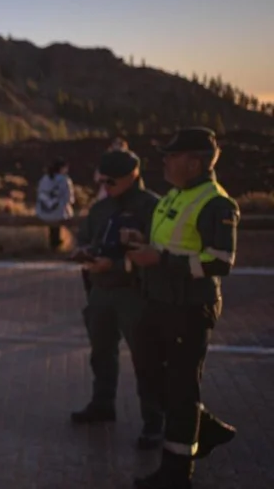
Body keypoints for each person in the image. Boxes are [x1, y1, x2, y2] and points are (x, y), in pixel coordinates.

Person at [124, 127, 238, 489]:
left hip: (189, 309)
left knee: (180, 390)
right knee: (148, 373)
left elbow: (220, 261)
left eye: (172, 156)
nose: (165, 162)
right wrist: (143, 243)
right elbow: (170, 242)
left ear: (195, 163)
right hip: (158, 302)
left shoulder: (216, 203)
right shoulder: (174, 195)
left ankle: (176, 475)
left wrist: (160, 260)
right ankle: (204, 428)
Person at [69, 150, 164, 449]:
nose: (105, 186)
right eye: (102, 180)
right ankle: (102, 404)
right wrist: (84, 252)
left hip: (135, 293)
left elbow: (159, 252)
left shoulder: (153, 207)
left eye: (111, 181)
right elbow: (86, 236)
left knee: (146, 359)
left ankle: (154, 421)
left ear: (132, 176)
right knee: (101, 352)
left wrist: (119, 264)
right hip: (101, 290)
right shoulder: (101, 208)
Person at [36, 157, 75, 249]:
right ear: (61, 168)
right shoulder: (65, 180)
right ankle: (58, 242)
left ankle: (54, 242)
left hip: (43, 212)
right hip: (59, 213)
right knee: (62, 215)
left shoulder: (44, 179)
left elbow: (40, 195)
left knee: (53, 217)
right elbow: (69, 199)